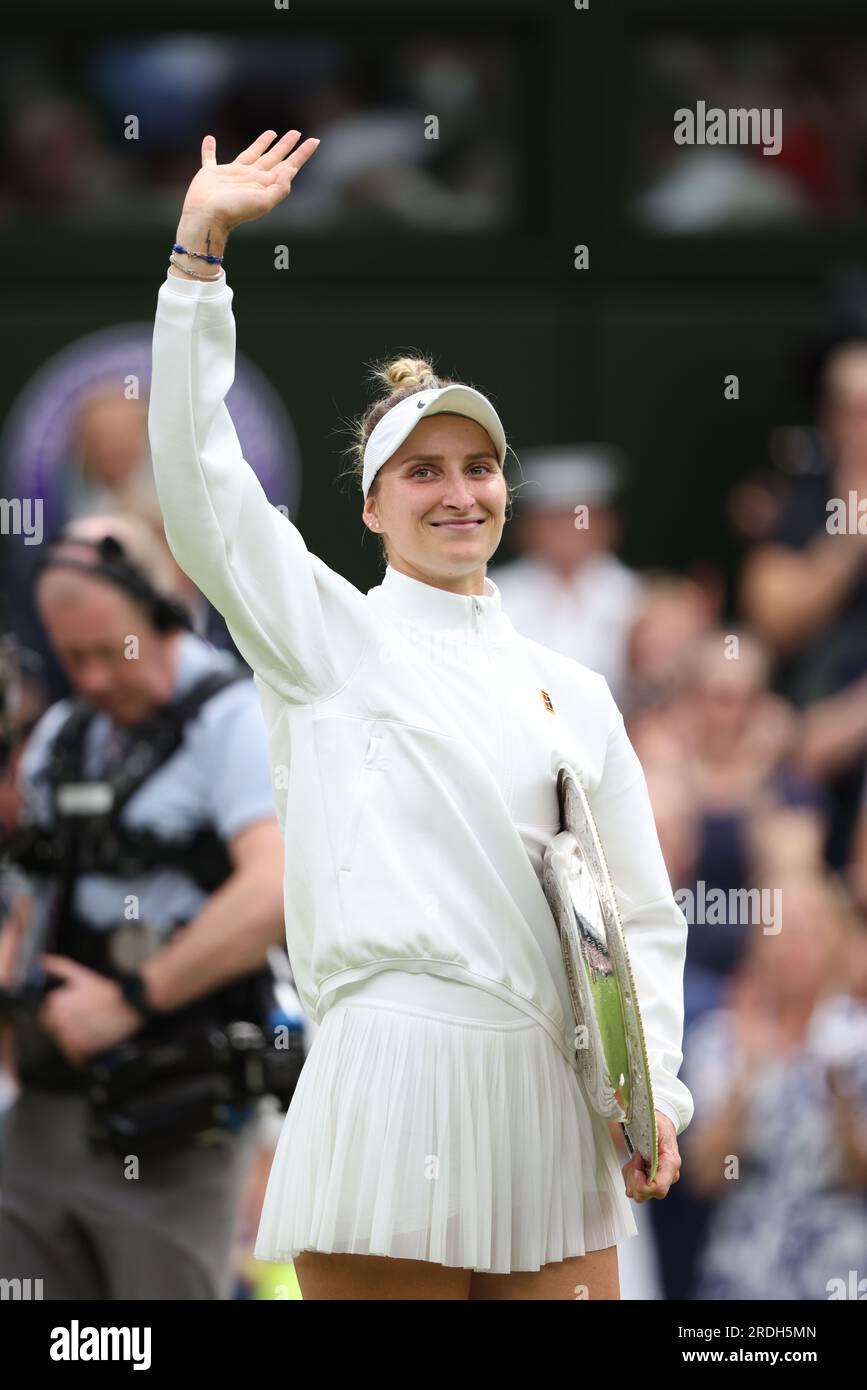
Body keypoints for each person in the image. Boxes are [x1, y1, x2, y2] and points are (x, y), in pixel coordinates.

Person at [147, 127, 692, 1302]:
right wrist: (199, 260)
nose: (461, 493)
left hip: (555, 1092)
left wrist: (657, 1097)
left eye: (480, 467)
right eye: (426, 472)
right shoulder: (328, 634)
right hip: (392, 1072)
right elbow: (199, 483)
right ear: (372, 505)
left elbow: (636, 912)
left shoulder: (578, 691)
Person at [0, 514, 287, 1299]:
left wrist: (128, 1002)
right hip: (46, 1102)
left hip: (174, 1106)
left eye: (107, 652)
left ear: (161, 615)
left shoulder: (233, 719)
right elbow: (30, 907)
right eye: (71, 657)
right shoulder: (63, 735)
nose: (91, 678)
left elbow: (273, 890)